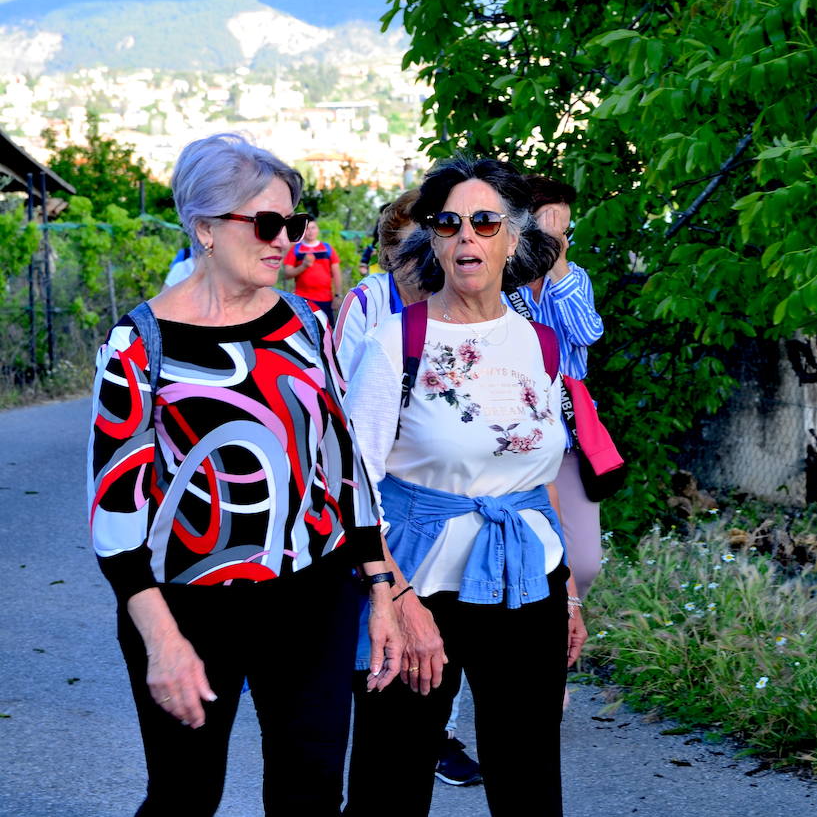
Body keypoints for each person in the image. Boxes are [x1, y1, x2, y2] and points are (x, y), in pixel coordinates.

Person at [87, 132, 401, 816]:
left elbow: (345, 469)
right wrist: (162, 639)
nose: (284, 239)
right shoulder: (140, 344)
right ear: (204, 227)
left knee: (312, 791)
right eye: (265, 223)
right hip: (187, 605)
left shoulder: (306, 323)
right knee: (183, 796)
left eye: (290, 221)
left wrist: (381, 589)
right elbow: (114, 516)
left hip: (313, 597)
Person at [344, 156, 585, 817]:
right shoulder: (397, 343)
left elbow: (539, 477)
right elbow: (352, 484)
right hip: (419, 587)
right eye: (449, 224)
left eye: (485, 222)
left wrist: (565, 594)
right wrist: (392, 597)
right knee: (386, 789)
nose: (466, 239)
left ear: (514, 238)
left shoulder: (540, 342)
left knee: (531, 785)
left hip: (526, 583)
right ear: (434, 240)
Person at [333, 189, 485, 788]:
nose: (417, 261)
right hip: (386, 493)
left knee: (449, 631)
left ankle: (439, 735)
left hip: (447, 495)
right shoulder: (369, 306)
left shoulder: (474, 306)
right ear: (387, 254)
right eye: (402, 250)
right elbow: (342, 394)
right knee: (388, 613)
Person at [506, 174, 605, 596]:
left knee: (583, 562)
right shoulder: (497, 283)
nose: (558, 237)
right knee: (523, 558)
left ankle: (569, 622)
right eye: (549, 227)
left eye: (565, 230)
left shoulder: (573, 278)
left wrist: (558, 258)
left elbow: (586, 333)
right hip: (509, 437)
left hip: (567, 436)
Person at [334, 190, 426, 385]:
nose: (421, 256)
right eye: (411, 244)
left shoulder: (453, 297)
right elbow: (341, 378)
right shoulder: (365, 302)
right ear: (390, 250)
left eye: (428, 245)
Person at [283, 217, 344, 324]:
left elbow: (337, 273)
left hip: (325, 299)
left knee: (326, 334)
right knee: (304, 331)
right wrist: (304, 265)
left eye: (313, 228)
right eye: (307, 229)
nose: (310, 231)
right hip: (302, 299)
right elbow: (287, 274)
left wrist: (338, 296)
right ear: (303, 231)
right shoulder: (296, 249)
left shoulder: (327, 248)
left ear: (317, 229)